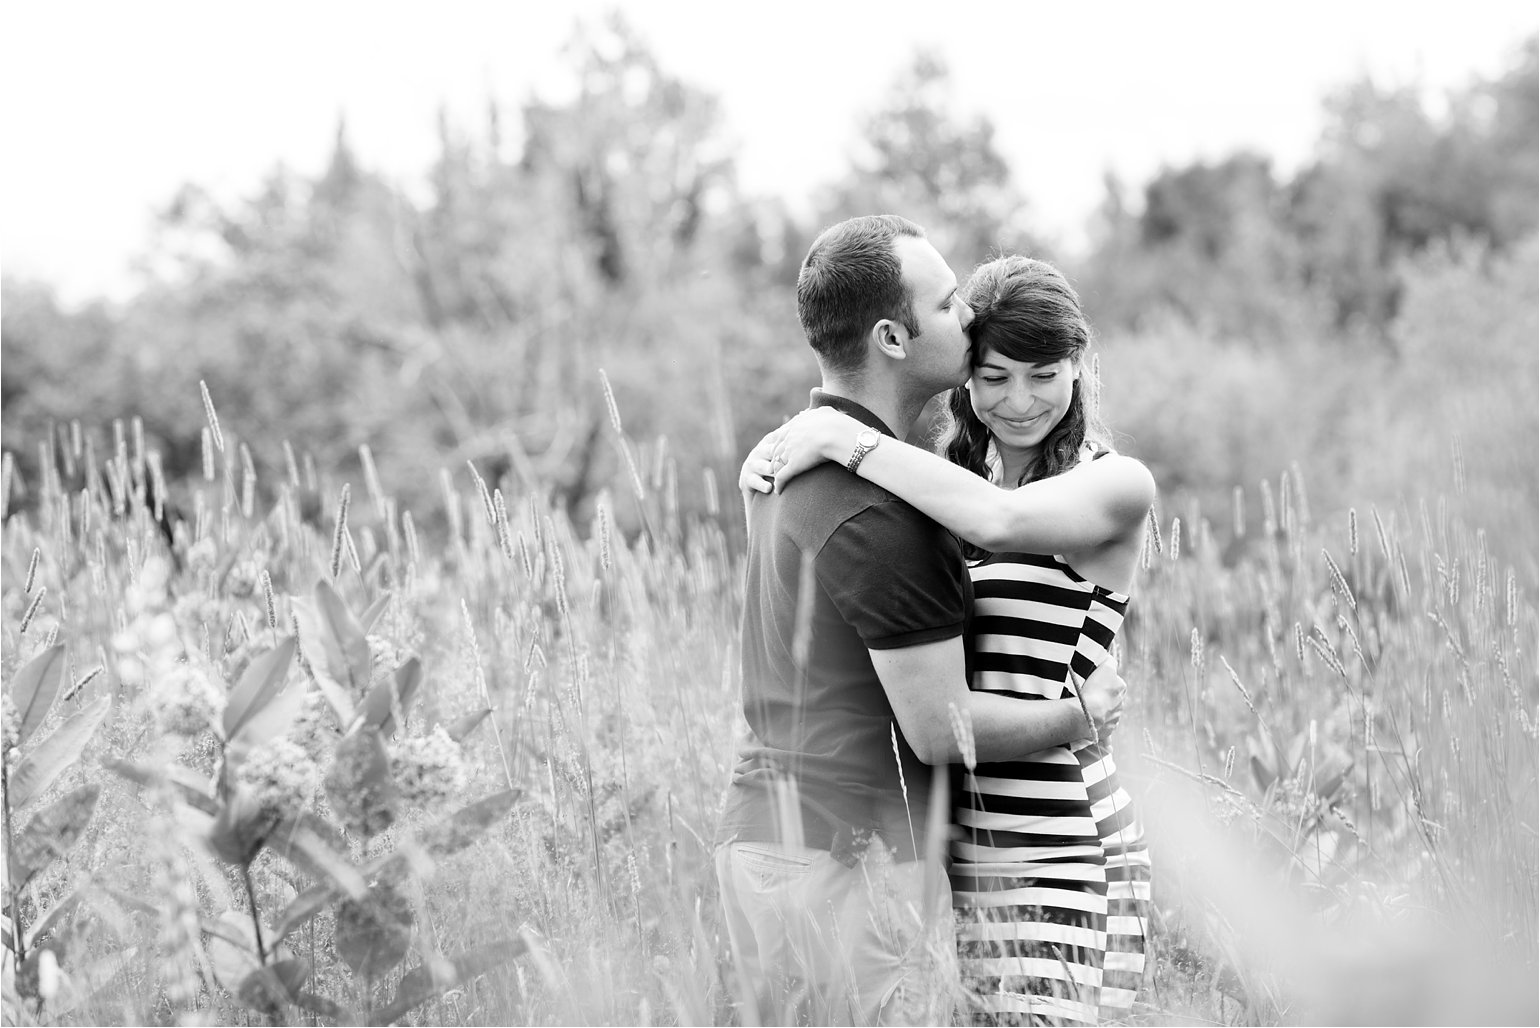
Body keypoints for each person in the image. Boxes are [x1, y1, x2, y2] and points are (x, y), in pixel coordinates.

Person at [715, 217, 1127, 1026]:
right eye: (947, 305)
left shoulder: (782, 465)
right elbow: (942, 733)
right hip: (847, 850)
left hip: (771, 838)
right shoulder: (880, 515)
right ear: (892, 338)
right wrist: (1080, 716)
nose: (967, 318)